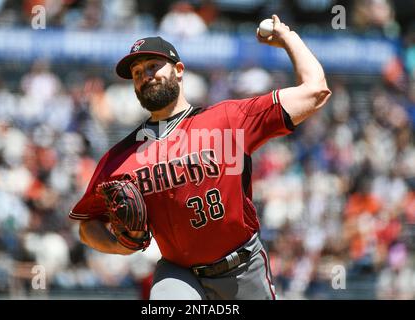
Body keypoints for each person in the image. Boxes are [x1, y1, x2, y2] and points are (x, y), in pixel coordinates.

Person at [69, 15, 331, 300]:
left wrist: (288, 37)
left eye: (153, 66)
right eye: (137, 73)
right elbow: (87, 225)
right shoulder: (120, 158)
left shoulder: (229, 119)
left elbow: (315, 91)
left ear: (179, 70)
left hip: (243, 268)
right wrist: (119, 245)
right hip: (179, 273)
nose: (145, 75)